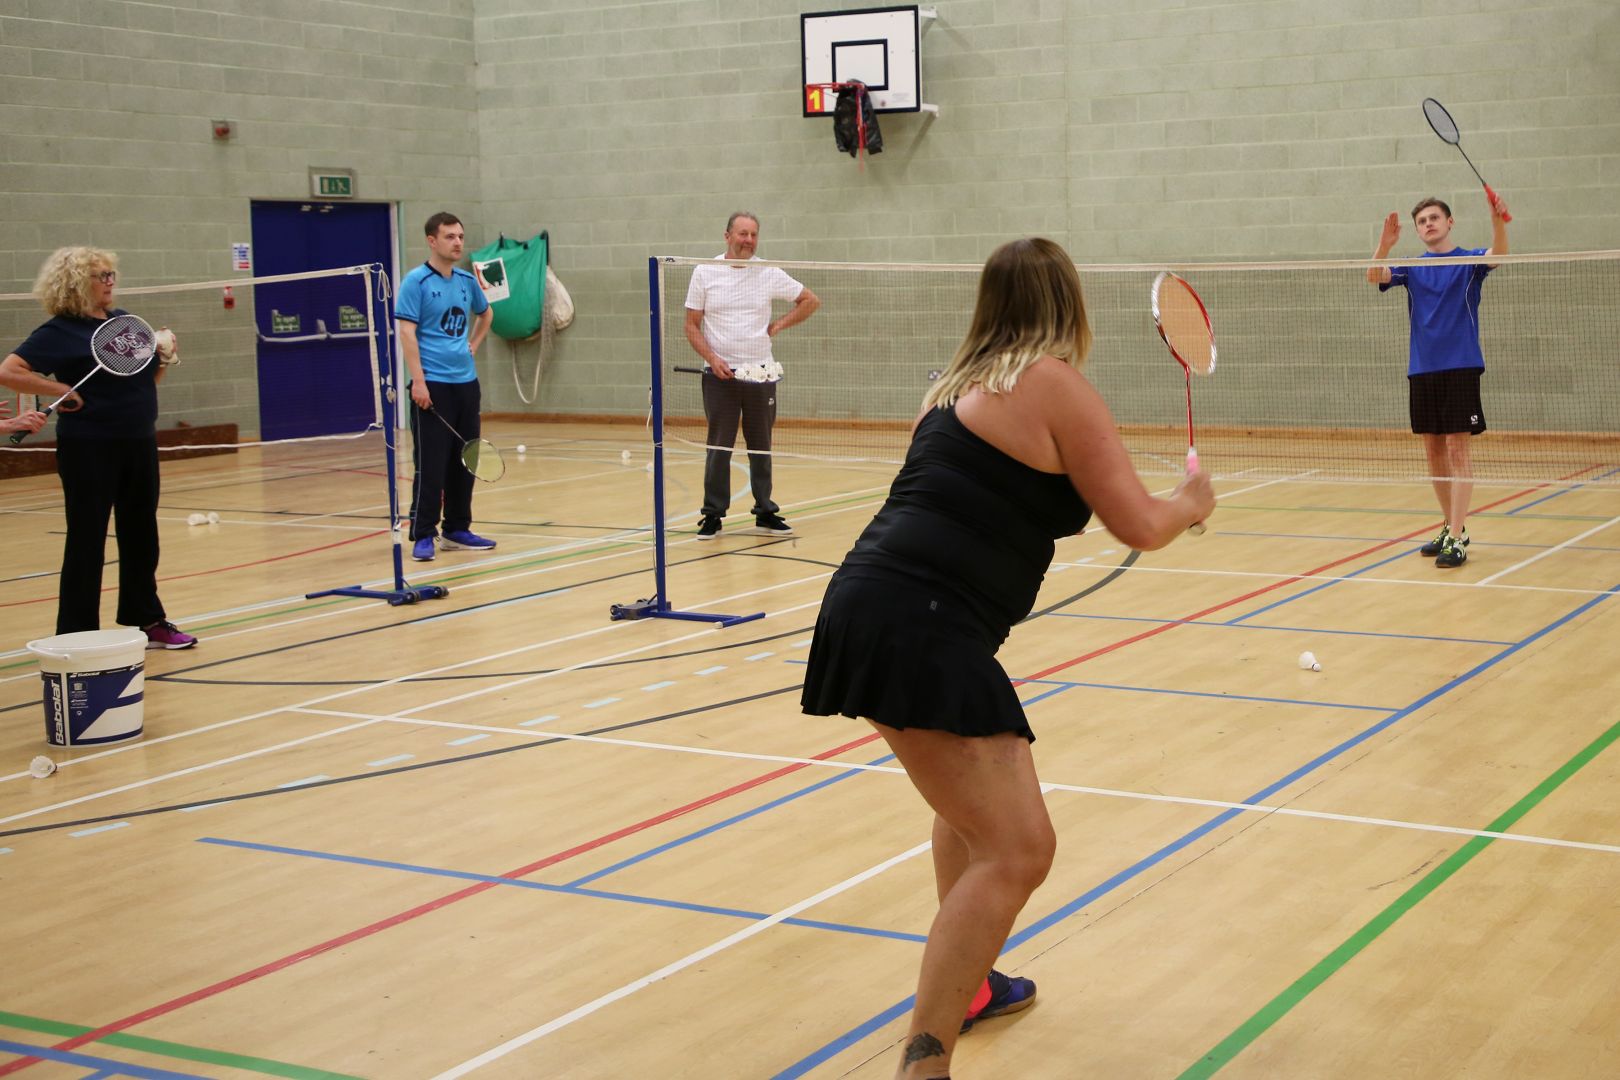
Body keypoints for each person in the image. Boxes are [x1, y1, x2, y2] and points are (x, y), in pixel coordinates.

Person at [800, 238, 1214, 1080]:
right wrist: (1190, 502)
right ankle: (924, 1067)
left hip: (865, 606)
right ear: (1069, 304)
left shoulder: (945, 396)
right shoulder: (1055, 383)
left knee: (970, 818)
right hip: (923, 623)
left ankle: (975, 983)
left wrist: (1166, 506)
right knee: (1019, 850)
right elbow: (1137, 523)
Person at [0, 247, 196, 647]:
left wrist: (164, 357)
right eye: (100, 276)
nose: (110, 282)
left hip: (139, 440)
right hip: (89, 447)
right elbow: (9, 371)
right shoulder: (58, 332)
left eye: (111, 274)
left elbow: (141, 384)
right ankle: (76, 632)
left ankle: (148, 619)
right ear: (75, 283)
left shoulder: (124, 323)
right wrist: (58, 389)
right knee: (87, 538)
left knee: (142, 533)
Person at [1368, 191, 1509, 568]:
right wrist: (1384, 246)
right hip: (1422, 369)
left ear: (1449, 222)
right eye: (1421, 221)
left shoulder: (1469, 260)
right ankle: (1452, 527)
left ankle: (1459, 535)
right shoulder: (1412, 265)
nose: (1428, 224)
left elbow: (1499, 255)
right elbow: (1373, 275)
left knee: (1458, 450)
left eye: (1434, 218)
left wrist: (1498, 221)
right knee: (1433, 452)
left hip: (1461, 366)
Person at [684, 212, 820, 540]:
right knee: (719, 446)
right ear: (727, 235)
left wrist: (778, 326)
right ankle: (713, 514)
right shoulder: (705, 272)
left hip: (761, 373)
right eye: (742, 233)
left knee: (761, 445)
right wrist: (712, 358)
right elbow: (691, 325)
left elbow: (809, 300)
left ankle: (765, 511)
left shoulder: (767, 271)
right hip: (721, 376)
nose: (748, 240)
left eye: (754, 235)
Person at [397, 211, 495, 562]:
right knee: (432, 463)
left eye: (460, 236)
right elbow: (407, 332)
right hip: (432, 385)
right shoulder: (416, 282)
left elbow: (486, 314)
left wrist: (474, 344)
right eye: (450, 237)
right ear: (432, 240)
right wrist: (419, 382)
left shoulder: (468, 281)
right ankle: (424, 532)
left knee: (466, 459)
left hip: (466, 384)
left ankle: (457, 528)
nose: (457, 243)